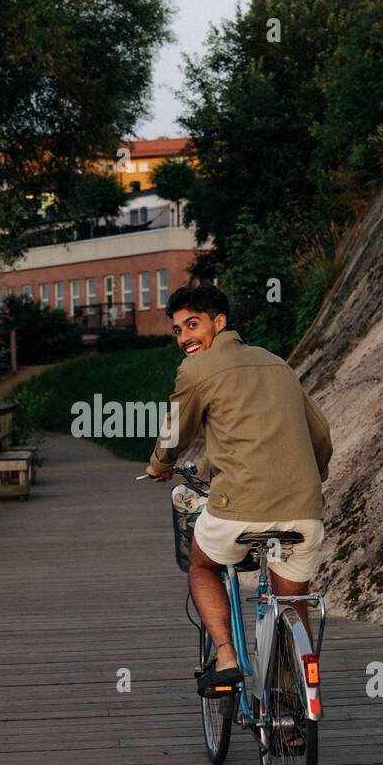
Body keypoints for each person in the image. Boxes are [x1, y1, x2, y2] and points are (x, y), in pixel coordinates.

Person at [145, 284, 333, 697]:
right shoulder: (277, 364)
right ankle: (289, 706)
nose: (184, 338)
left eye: (192, 325)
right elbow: (320, 436)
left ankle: (227, 656)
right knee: (291, 605)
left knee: (201, 565)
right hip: (305, 510)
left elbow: (176, 430)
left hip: (240, 508)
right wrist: (307, 481)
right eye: (177, 331)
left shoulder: (197, 371)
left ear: (219, 322)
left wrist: (160, 465)